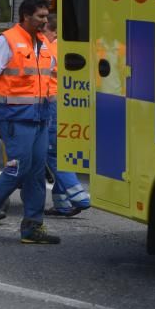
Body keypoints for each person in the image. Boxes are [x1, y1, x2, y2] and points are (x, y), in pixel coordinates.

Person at [0, 0, 59, 244]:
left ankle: (32, 226)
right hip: (16, 118)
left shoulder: (43, 42)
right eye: (41, 16)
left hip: (41, 118)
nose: (45, 21)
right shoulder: (8, 40)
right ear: (26, 16)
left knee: (36, 173)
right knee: (18, 170)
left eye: (46, 16)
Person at [43, 14, 91, 217]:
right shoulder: (75, 48)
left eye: (44, 30)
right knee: (66, 152)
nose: (41, 34)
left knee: (54, 154)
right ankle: (61, 203)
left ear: (54, 31)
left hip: (54, 103)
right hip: (73, 105)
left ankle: (79, 196)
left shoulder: (51, 49)